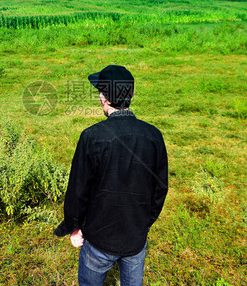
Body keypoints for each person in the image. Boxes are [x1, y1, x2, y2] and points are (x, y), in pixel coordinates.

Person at [54, 65, 168, 286]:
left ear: (103, 98)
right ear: (132, 94)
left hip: (98, 241)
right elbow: (160, 188)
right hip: (136, 239)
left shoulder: (91, 137)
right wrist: (144, 222)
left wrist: (74, 227)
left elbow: (78, 190)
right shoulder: (154, 136)